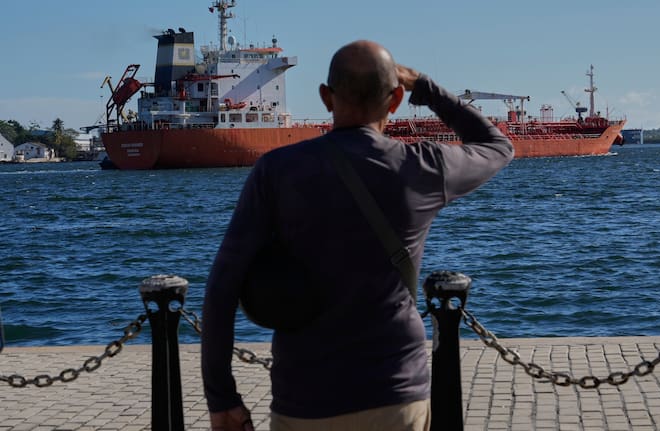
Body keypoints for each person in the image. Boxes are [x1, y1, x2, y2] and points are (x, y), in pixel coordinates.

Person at [201, 40, 514, 431]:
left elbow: (222, 285)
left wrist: (222, 396)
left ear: (326, 98)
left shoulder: (276, 170)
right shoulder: (423, 166)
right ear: (396, 100)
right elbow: (498, 146)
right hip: (395, 395)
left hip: (303, 400)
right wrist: (425, 87)